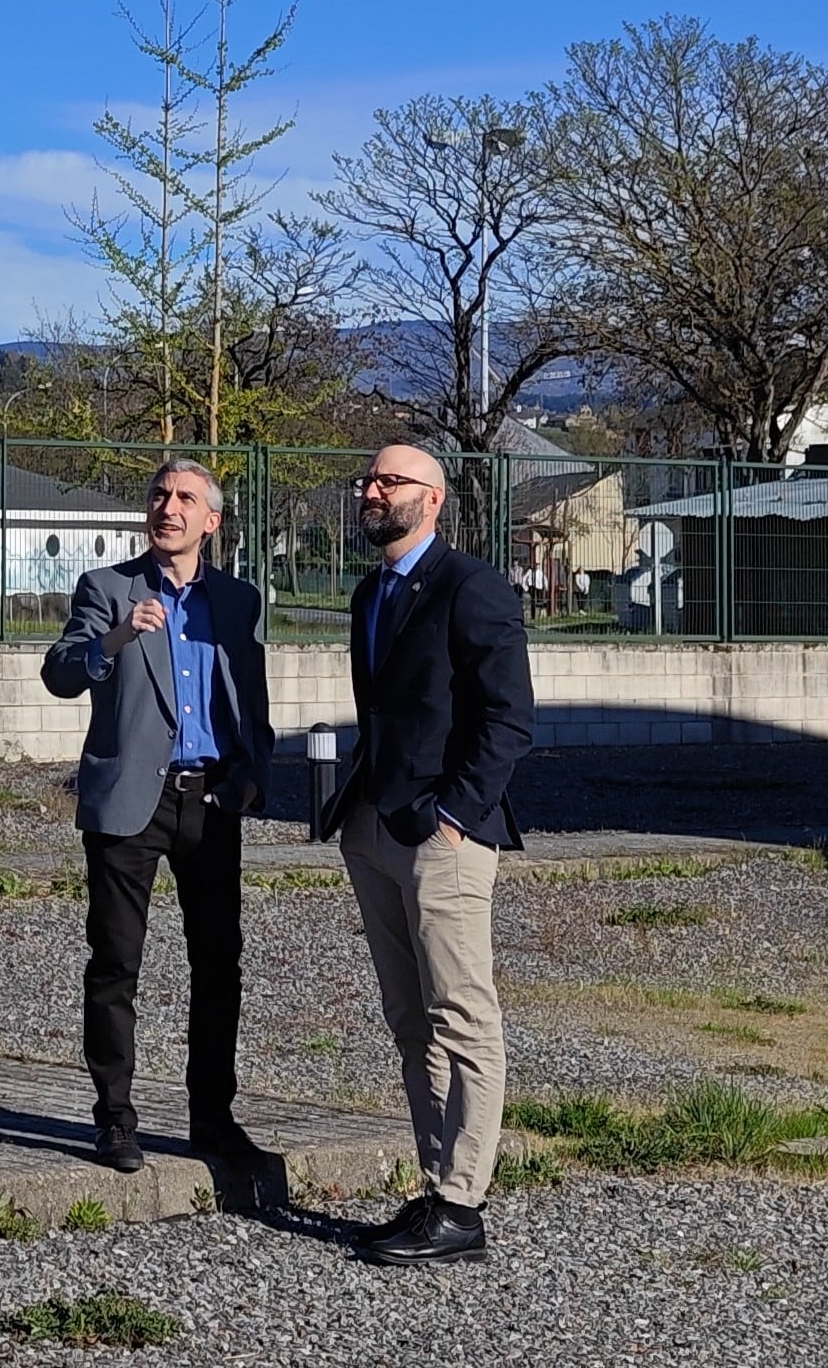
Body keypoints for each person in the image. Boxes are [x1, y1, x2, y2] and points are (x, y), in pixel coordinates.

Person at [320, 443, 536, 1265]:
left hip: (441, 835)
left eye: (390, 480)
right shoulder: (370, 589)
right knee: (410, 1020)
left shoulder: (469, 586)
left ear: (433, 498)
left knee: (462, 1015)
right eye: (368, 480)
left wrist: (453, 814)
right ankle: (435, 1183)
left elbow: (508, 717)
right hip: (374, 827)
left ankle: (463, 1202)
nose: (371, 491)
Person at [40, 457, 274, 1172]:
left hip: (210, 800)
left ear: (211, 519)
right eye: (158, 495)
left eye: (184, 498)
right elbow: (60, 671)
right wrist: (112, 639)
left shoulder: (238, 600)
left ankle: (212, 1117)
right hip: (127, 803)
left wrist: (250, 776)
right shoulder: (106, 588)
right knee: (114, 963)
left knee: (218, 964)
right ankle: (113, 1118)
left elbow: (251, 699)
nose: (166, 507)